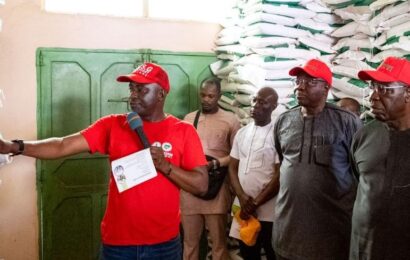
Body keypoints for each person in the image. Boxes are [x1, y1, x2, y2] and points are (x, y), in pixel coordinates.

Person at [0, 62, 208, 259]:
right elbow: (62, 145)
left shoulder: (184, 131)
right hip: (118, 245)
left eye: (141, 90)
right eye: (131, 89)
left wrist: (166, 166)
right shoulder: (112, 125)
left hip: (164, 244)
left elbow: (201, 185)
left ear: (161, 93)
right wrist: (14, 146)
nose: (133, 96)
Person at [273, 59, 362, 260]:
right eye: (298, 80)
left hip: (331, 236)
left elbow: (361, 173)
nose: (300, 86)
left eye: (310, 81)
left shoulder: (346, 122)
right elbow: (283, 161)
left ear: (326, 88)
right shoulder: (284, 120)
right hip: (288, 232)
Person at [350, 57, 410, 260]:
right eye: (373, 87)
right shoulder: (364, 135)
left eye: (384, 89)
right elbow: (358, 181)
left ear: (408, 93)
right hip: (363, 248)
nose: (373, 97)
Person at [181, 78, 241, 260]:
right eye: (203, 95)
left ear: (219, 96)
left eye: (211, 96)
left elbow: (237, 156)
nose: (206, 99)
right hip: (190, 189)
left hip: (216, 189)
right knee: (189, 244)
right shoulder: (189, 119)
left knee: (218, 245)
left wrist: (216, 163)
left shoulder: (231, 120)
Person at [229, 87, 280, 260]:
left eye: (263, 102)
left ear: (274, 106)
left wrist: (255, 203)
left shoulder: (277, 135)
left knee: (272, 253)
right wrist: (242, 198)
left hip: (268, 211)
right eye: (254, 100)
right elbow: (232, 167)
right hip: (244, 209)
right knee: (248, 253)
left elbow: (279, 176)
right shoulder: (242, 133)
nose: (256, 105)